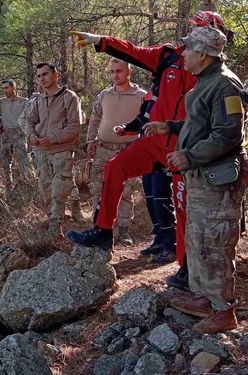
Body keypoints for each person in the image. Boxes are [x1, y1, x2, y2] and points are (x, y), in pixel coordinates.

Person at [66, 11, 233, 289]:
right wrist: (101, 41)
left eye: (197, 29)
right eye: (191, 29)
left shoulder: (213, 71)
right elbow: (134, 52)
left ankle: (187, 269)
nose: (190, 34)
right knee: (114, 168)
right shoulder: (169, 55)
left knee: (184, 210)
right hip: (157, 140)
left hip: (186, 147)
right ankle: (103, 231)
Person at [144, 26, 244, 334]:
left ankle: (224, 311)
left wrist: (190, 155)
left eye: (187, 49)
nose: (182, 54)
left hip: (218, 181)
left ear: (203, 54)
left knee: (214, 242)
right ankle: (205, 297)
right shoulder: (206, 82)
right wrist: (170, 127)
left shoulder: (226, 85)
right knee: (199, 240)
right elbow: (200, 122)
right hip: (203, 179)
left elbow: (227, 134)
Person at [86, 58, 146, 246]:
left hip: (129, 150)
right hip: (103, 149)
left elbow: (147, 122)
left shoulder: (142, 95)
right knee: (98, 189)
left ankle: (124, 231)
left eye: (119, 71)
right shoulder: (104, 95)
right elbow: (95, 118)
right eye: (112, 72)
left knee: (126, 191)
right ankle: (100, 229)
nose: (115, 75)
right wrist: (90, 140)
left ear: (129, 72)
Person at [20, 63, 82, 238]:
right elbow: (29, 121)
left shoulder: (70, 97)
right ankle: (52, 222)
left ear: (56, 74)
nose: (42, 79)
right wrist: (31, 135)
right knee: (45, 188)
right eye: (39, 76)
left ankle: (55, 225)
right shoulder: (39, 100)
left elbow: (74, 127)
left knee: (59, 189)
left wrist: (52, 138)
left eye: (45, 74)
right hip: (41, 151)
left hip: (62, 150)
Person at [0, 79, 31, 191]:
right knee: (5, 161)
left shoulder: (24, 101)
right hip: (6, 134)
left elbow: (31, 117)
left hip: (20, 134)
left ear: (14, 88)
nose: (4, 90)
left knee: (23, 161)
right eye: (3, 88)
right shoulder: (1, 101)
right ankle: (9, 188)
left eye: (7, 88)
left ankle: (27, 186)